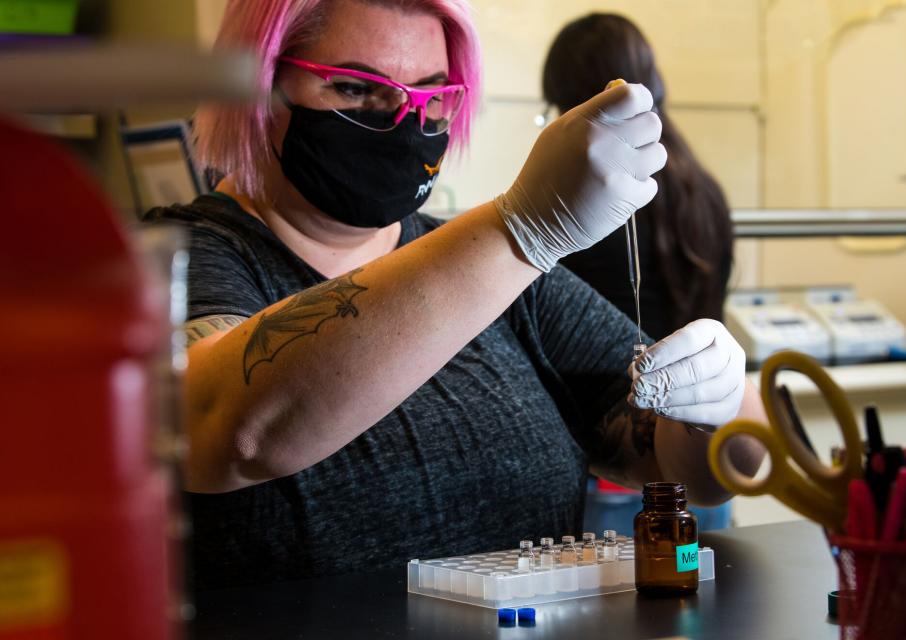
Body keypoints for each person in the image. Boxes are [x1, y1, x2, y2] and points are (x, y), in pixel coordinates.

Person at [145, 0, 764, 589]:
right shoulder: (181, 253)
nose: (404, 122)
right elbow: (225, 427)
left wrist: (716, 411)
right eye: (355, 89)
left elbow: (671, 458)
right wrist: (518, 229)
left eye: (432, 95)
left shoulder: (503, 278)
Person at [543, 14, 738, 531]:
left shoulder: (580, 200)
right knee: (705, 602)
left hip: (618, 462)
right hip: (700, 448)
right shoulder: (704, 193)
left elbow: (555, 339)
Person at [543, 13, 734, 343]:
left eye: (562, 108)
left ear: (580, 106)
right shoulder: (704, 191)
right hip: (697, 389)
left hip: (610, 390)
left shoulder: (582, 200)